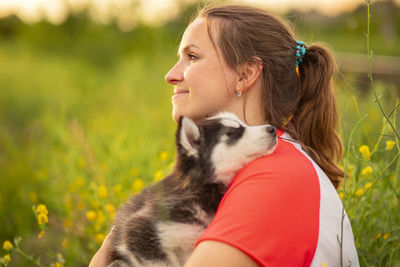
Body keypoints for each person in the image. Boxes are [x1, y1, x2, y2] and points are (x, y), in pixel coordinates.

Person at [90, 3, 359, 267]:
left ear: (245, 74)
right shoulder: (249, 168)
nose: (170, 75)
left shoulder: (277, 177)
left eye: (192, 56)